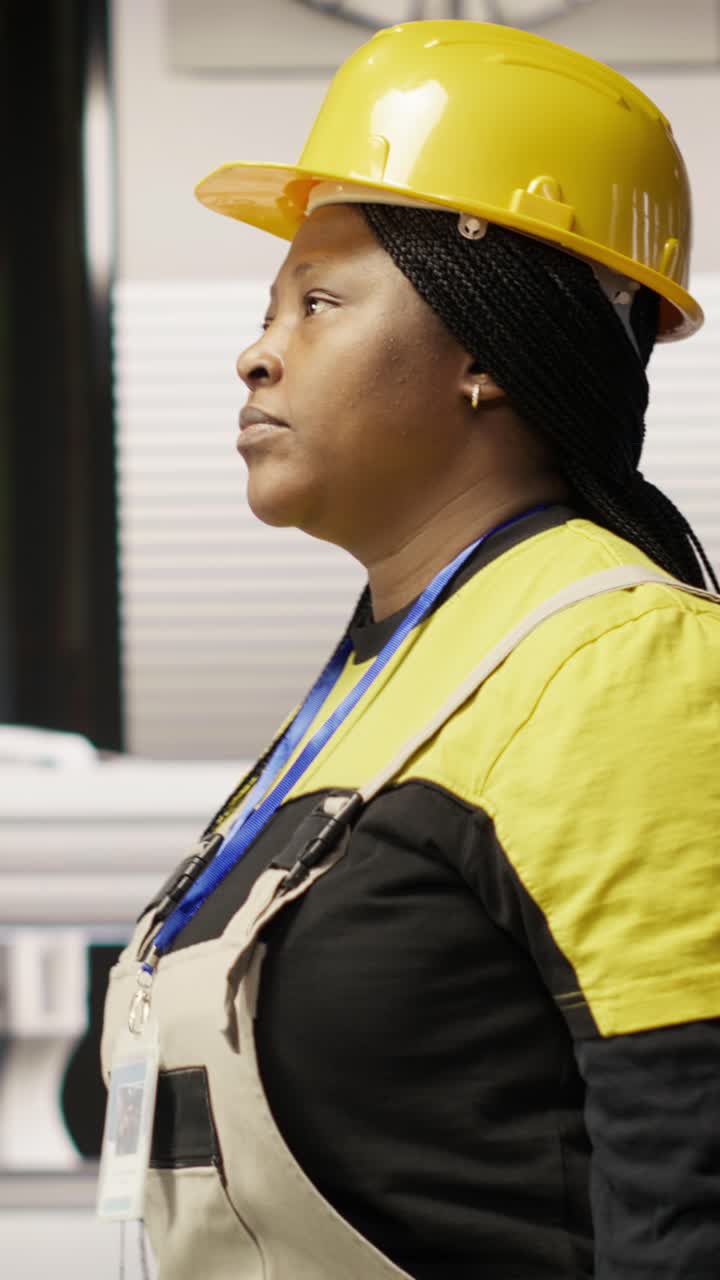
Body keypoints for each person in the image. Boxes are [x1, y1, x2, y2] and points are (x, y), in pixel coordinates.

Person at [101, 19, 720, 1280]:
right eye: (270, 306)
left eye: (320, 301)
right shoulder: (401, 666)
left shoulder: (620, 664)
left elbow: (690, 1183)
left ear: (488, 346)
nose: (257, 349)